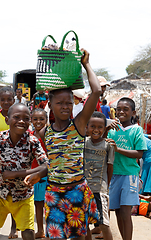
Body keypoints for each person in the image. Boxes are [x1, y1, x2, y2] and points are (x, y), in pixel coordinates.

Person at [24, 49, 102, 240]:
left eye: (68, 102)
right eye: (60, 103)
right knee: (55, 236)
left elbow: (97, 91)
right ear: (50, 104)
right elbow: (53, 164)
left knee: (78, 237)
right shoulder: (45, 133)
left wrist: (86, 64)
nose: (65, 106)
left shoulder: (79, 124)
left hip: (76, 191)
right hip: (54, 193)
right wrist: (38, 175)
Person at [0, 103, 48, 240]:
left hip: (24, 195)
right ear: (7, 120)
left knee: (28, 232)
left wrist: (18, 173)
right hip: (0, 193)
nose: (21, 121)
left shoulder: (32, 141)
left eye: (26, 118)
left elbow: (46, 165)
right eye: (16, 117)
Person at [107, 97, 147, 240]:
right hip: (114, 174)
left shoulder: (136, 130)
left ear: (133, 112)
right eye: (118, 109)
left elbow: (139, 153)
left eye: (125, 109)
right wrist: (106, 130)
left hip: (129, 175)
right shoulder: (112, 129)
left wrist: (118, 149)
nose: (121, 112)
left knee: (125, 212)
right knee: (117, 211)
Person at [0, 86, 18, 238]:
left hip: (16, 163)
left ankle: (14, 229)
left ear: (14, 100)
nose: (6, 102)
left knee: (15, 194)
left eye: (9, 99)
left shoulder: (19, 115)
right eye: (3, 99)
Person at [84, 111, 114, 240]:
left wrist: (106, 185)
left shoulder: (108, 145)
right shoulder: (83, 143)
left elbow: (110, 167)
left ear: (104, 128)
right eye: (93, 126)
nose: (96, 130)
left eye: (100, 127)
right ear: (87, 127)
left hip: (99, 190)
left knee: (103, 224)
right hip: (84, 189)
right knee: (84, 224)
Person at [31, 108, 48, 239]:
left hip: (47, 175)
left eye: (41, 119)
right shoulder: (29, 136)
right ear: (31, 120)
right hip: (33, 174)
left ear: (46, 121)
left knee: (48, 204)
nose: (38, 121)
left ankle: (49, 231)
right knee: (38, 204)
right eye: (35, 119)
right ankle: (40, 230)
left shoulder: (48, 135)